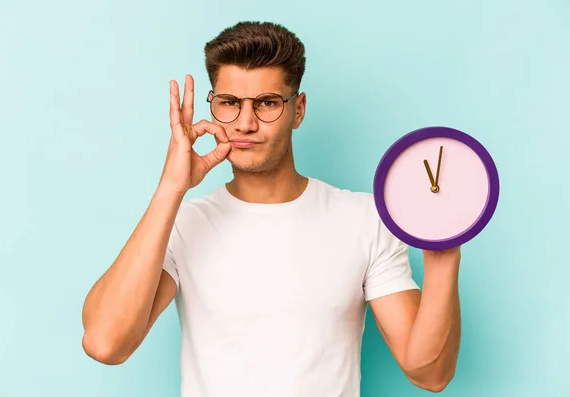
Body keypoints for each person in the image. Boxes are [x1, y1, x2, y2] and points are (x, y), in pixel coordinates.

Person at [81, 21, 462, 397]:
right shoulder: (184, 224)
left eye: (266, 104)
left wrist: (443, 254)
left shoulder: (363, 219)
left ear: (298, 110)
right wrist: (171, 188)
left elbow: (430, 374)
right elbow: (105, 343)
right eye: (230, 104)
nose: (245, 124)